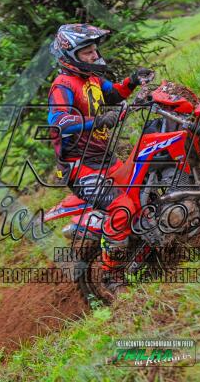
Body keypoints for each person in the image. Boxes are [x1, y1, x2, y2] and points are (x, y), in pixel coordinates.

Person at [48, 23, 153, 289]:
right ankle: (111, 276)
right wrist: (96, 121)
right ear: (70, 55)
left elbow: (114, 94)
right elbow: (58, 121)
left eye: (95, 49)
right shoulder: (63, 85)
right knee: (122, 207)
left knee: (143, 189)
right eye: (88, 52)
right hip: (80, 168)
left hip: (105, 159)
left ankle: (147, 245)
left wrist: (132, 80)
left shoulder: (91, 78)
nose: (95, 55)